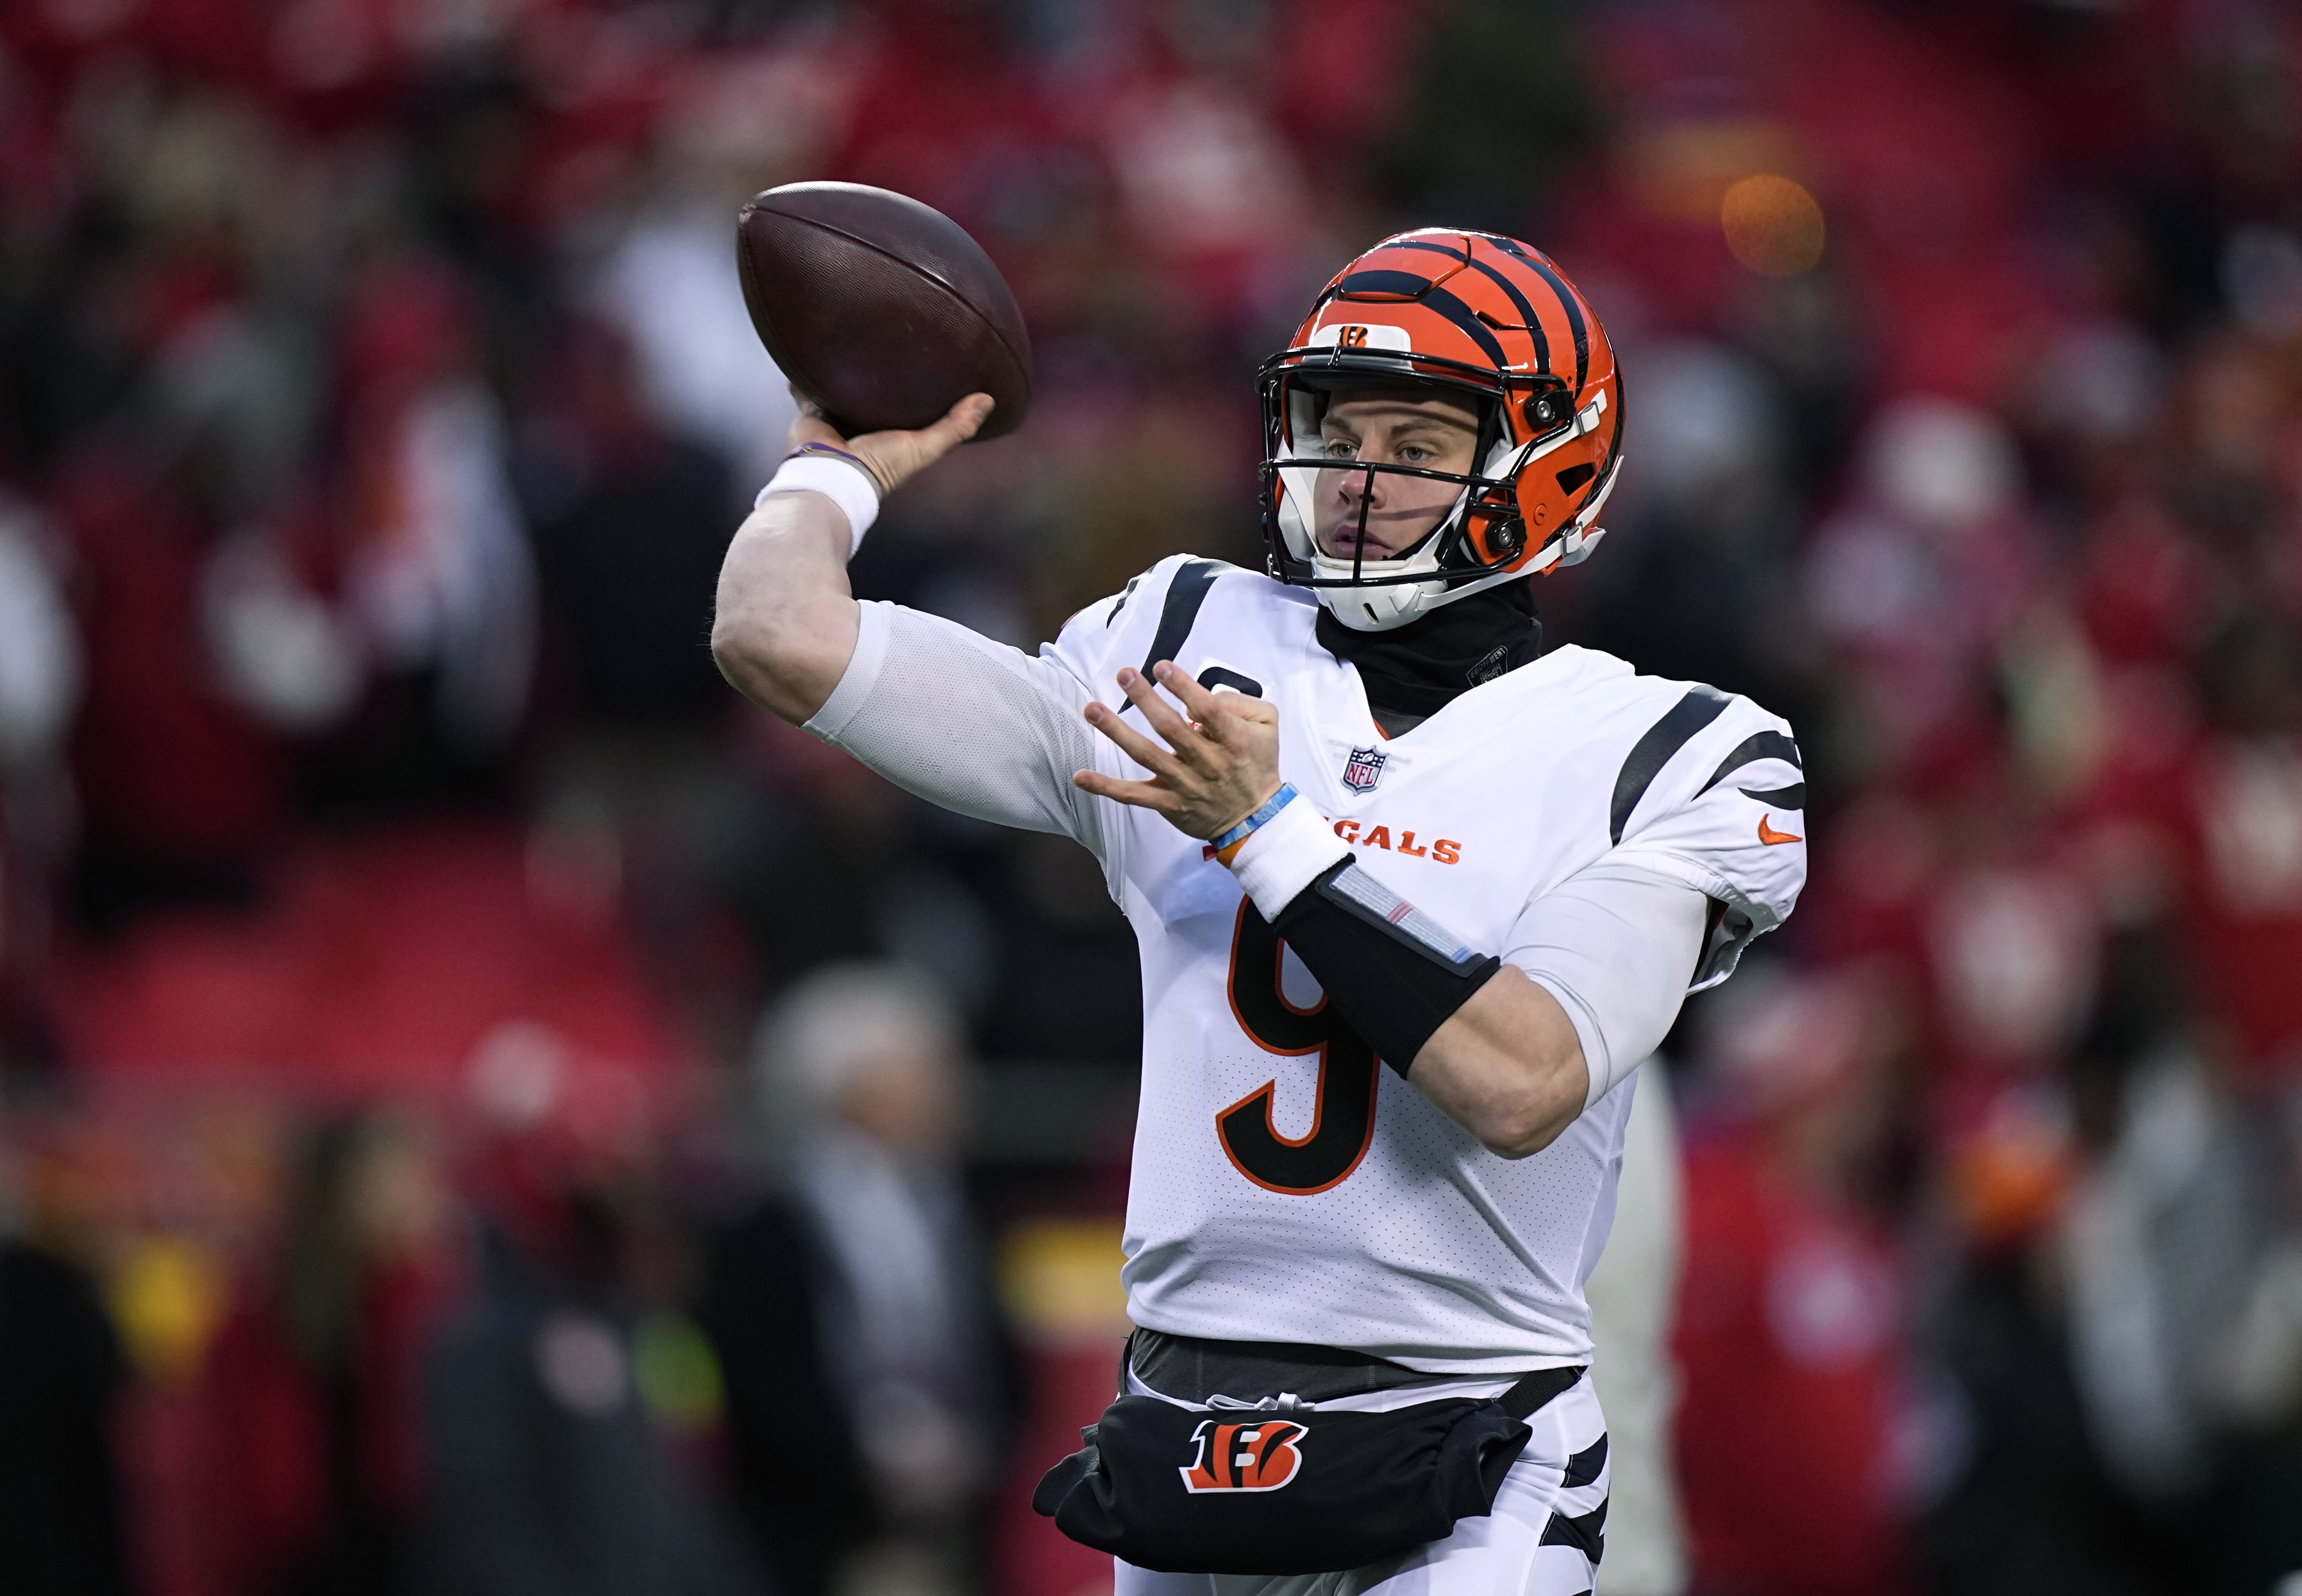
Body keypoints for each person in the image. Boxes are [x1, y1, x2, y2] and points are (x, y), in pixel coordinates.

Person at [712, 229, 1806, 1594]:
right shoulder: (1183, 638)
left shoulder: (1672, 750)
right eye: (1341, 434)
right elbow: (775, 635)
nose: (1361, 481)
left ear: (1550, 460)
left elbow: (1522, 1077)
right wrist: (834, 470)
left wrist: (1267, 832)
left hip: (1468, 1435)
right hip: (1189, 1425)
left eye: (1417, 444)